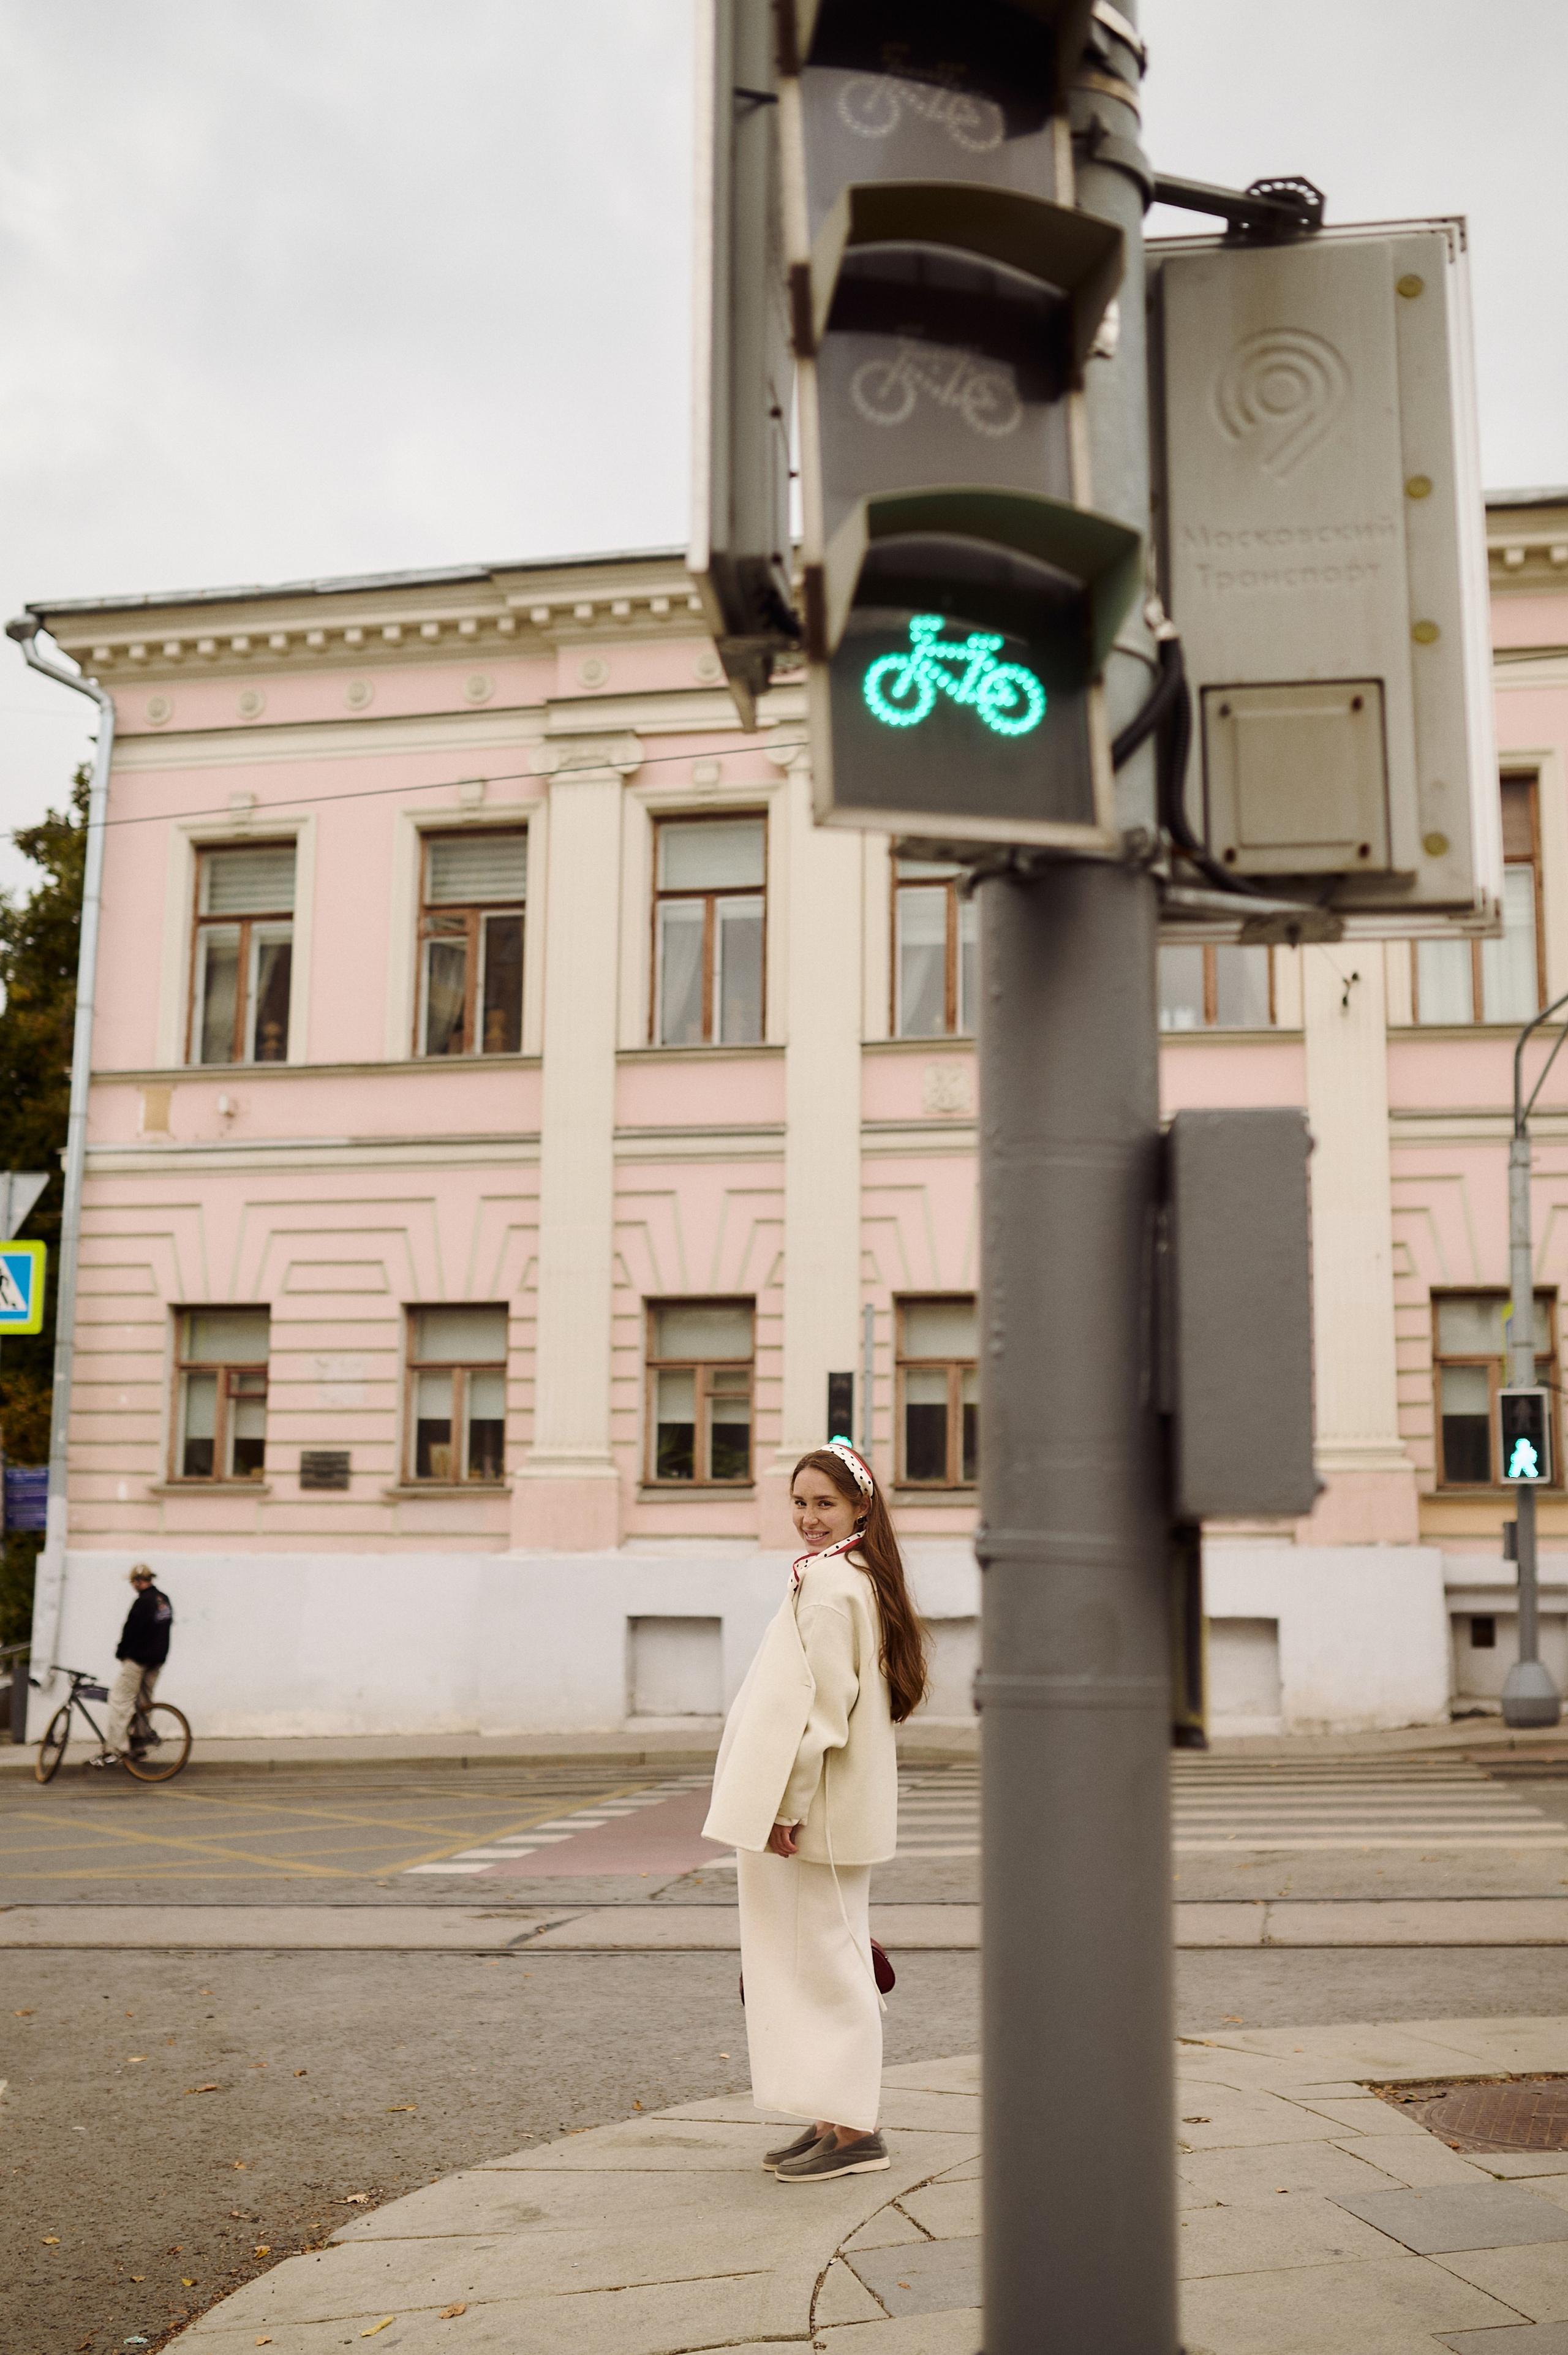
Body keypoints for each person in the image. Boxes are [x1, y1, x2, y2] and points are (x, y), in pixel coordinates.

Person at [703, 1439, 928, 2183]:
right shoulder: (845, 1574)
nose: (807, 1517)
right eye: (798, 1502)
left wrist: (783, 1807)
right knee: (815, 1961)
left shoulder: (834, 1585)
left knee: (828, 1968)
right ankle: (834, 2116)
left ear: (860, 1506)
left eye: (823, 1503)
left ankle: (858, 2131)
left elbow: (822, 1712)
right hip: (823, 1812)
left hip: (814, 1816)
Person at [100, 1565, 173, 1762]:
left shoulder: (142, 1602)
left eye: (133, 1582)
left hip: (139, 1659)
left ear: (140, 1581)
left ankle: (115, 1749)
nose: (132, 1585)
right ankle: (140, 1743)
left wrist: (122, 1652)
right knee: (144, 1702)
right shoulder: (163, 1600)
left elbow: (131, 1631)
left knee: (120, 1700)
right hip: (157, 1660)